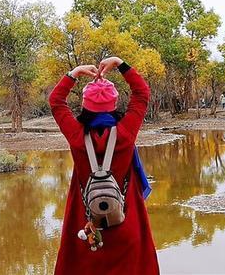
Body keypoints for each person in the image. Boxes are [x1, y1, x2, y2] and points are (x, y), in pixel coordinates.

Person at [49, 56, 159, 275]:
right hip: (126, 222)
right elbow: (142, 93)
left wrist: (74, 73)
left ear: (84, 105)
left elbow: (56, 101)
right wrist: (120, 63)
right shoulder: (126, 132)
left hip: (86, 225)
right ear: (115, 104)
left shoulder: (76, 135)